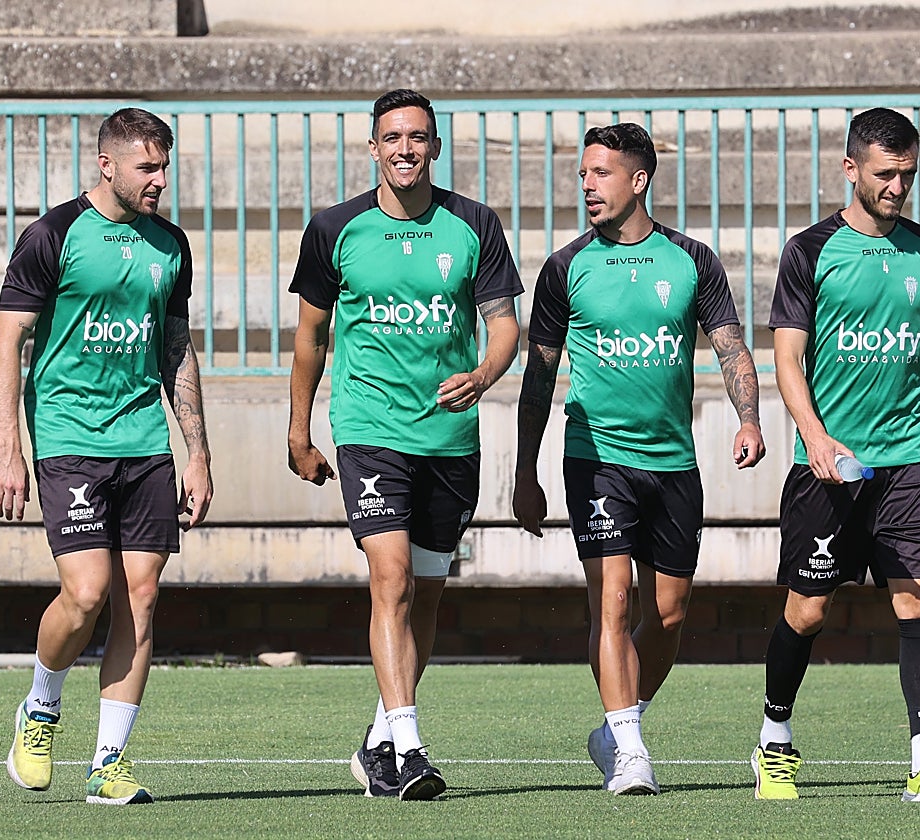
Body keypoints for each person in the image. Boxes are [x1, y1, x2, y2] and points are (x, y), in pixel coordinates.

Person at [513, 123, 765, 795]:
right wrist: (524, 473)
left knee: (673, 612)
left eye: (601, 173)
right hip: (595, 458)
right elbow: (538, 379)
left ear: (639, 180)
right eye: (583, 174)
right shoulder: (566, 267)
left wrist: (748, 419)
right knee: (614, 602)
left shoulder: (692, 260)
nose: (588, 186)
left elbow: (731, 347)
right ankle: (630, 753)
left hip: (673, 463)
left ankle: (616, 726)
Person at [287, 89, 522, 801]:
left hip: (449, 437)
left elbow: (504, 324)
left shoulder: (474, 224)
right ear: (372, 148)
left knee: (426, 594)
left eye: (418, 137)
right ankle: (413, 748)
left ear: (435, 148)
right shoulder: (335, 229)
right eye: (392, 137)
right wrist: (298, 430)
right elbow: (310, 338)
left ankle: (379, 739)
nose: (404, 149)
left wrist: (483, 373)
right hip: (369, 430)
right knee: (389, 578)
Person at [751, 107, 920, 802]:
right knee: (808, 612)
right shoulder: (810, 250)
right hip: (827, 468)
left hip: (907, 463)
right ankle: (774, 739)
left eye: (907, 174)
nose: (897, 187)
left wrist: (919, 423)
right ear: (850, 168)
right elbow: (787, 358)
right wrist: (816, 438)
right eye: (884, 174)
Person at [0, 107, 213, 806]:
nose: (160, 180)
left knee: (140, 598)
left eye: (165, 166)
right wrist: (8, 452)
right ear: (106, 164)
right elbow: (7, 343)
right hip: (67, 438)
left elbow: (175, 348)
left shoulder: (170, 244)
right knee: (85, 594)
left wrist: (197, 453)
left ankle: (108, 764)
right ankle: (41, 706)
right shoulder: (53, 235)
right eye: (148, 167)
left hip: (144, 441)